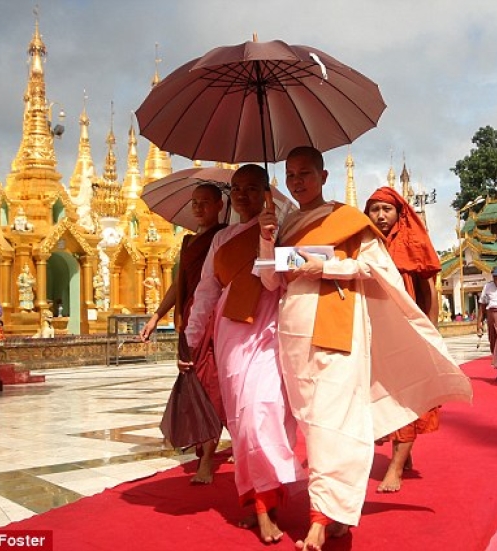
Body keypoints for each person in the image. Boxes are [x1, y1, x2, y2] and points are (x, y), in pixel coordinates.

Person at [258, 147, 472, 550]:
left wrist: (327, 266)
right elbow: (271, 284)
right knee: (313, 425)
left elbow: (378, 270)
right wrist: (267, 238)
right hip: (293, 334)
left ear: (323, 176)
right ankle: (337, 512)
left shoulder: (347, 220)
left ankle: (320, 519)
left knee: (330, 426)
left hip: (337, 331)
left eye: (305, 173)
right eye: (290, 175)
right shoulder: (284, 227)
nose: (297, 181)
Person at [185, 165, 304, 544]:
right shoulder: (221, 241)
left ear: (267, 193)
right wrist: (191, 335)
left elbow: (275, 279)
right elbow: (206, 290)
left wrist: (269, 238)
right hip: (231, 332)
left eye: (252, 188)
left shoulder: (284, 230)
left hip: (270, 327)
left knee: (264, 412)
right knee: (242, 420)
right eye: (236, 188)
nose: (241, 195)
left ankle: (266, 501)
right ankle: (258, 503)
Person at [139, 183, 226, 484]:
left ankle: (207, 460)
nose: (199, 208)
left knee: (211, 384)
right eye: (195, 203)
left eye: (206, 202)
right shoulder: (189, 242)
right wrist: (156, 315)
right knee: (193, 383)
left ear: (220, 206)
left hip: (216, 317)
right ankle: (204, 445)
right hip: (189, 317)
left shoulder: (224, 237)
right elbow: (179, 283)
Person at [364, 187, 442, 493]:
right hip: (375, 331)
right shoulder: (365, 243)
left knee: (406, 396)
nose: (381, 216)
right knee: (380, 395)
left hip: (408, 329)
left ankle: (395, 467)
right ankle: (402, 451)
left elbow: (429, 290)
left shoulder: (413, 241)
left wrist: (430, 332)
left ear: (399, 213)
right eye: (375, 210)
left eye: (387, 209)